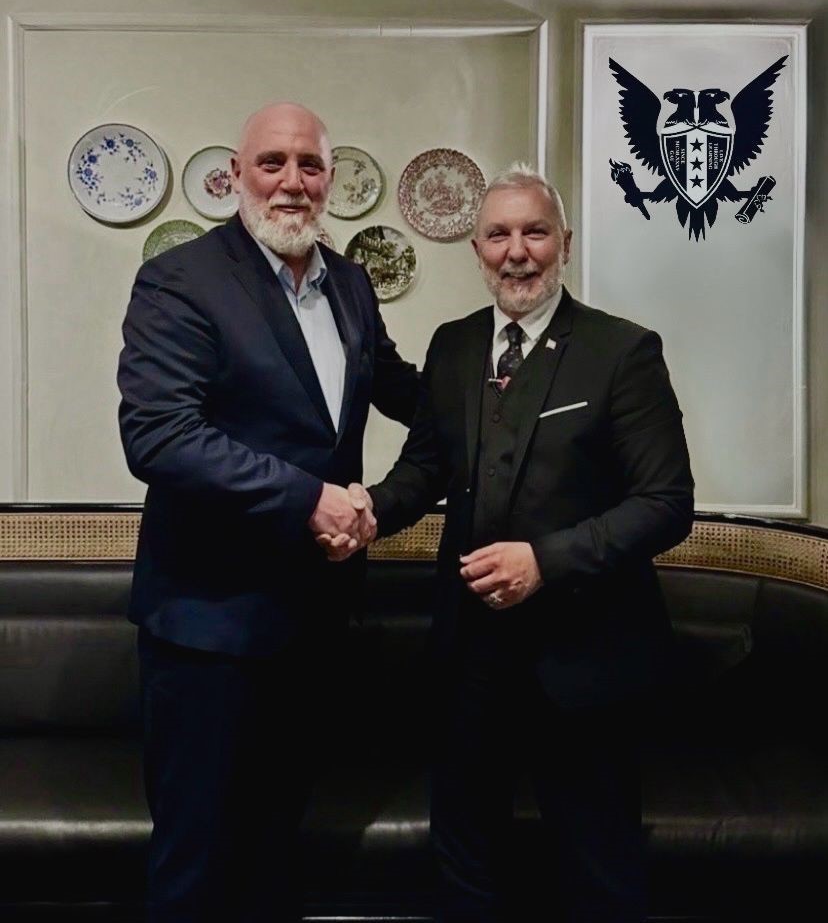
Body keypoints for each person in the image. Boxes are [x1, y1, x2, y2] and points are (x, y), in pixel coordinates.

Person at [321, 163, 694, 922]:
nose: (516, 251)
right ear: (477, 249)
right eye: (498, 235)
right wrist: (366, 512)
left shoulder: (623, 351)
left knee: (598, 860)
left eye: (534, 232)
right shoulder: (454, 345)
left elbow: (666, 504)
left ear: (565, 243)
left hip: (585, 655)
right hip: (470, 655)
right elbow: (426, 467)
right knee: (463, 848)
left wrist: (543, 562)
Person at [117, 101, 418, 923]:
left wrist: (508, 397)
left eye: (309, 164)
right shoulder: (181, 279)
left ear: (330, 178)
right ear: (236, 175)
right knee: (198, 855)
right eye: (272, 162)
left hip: (314, 619)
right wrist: (306, 497)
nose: (292, 181)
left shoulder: (349, 283)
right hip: (208, 627)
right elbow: (160, 436)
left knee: (278, 842)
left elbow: (404, 391)